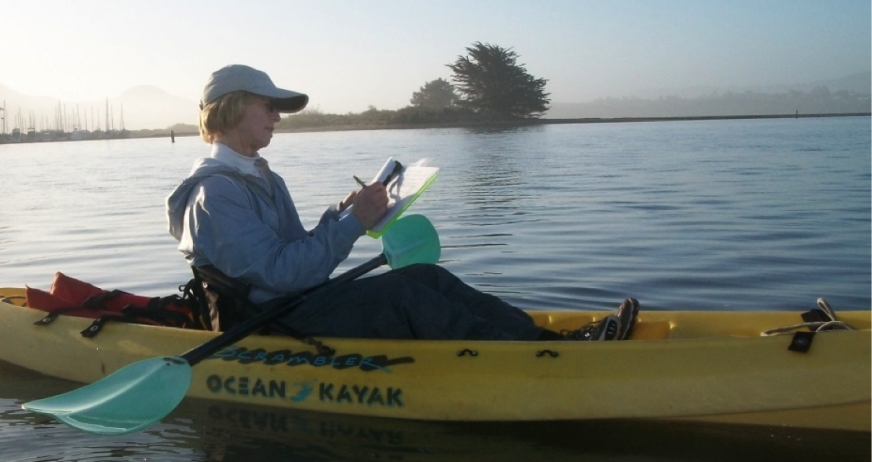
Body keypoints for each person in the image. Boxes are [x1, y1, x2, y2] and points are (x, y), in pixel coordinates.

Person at [166, 64, 635, 342]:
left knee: (425, 275)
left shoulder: (262, 176)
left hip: (298, 301)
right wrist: (352, 224)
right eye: (267, 107)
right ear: (228, 109)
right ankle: (542, 356)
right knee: (404, 293)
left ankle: (545, 341)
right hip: (272, 322)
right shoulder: (215, 194)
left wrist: (341, 215)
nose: (276, 117)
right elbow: (283, 274)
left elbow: (292, 256)